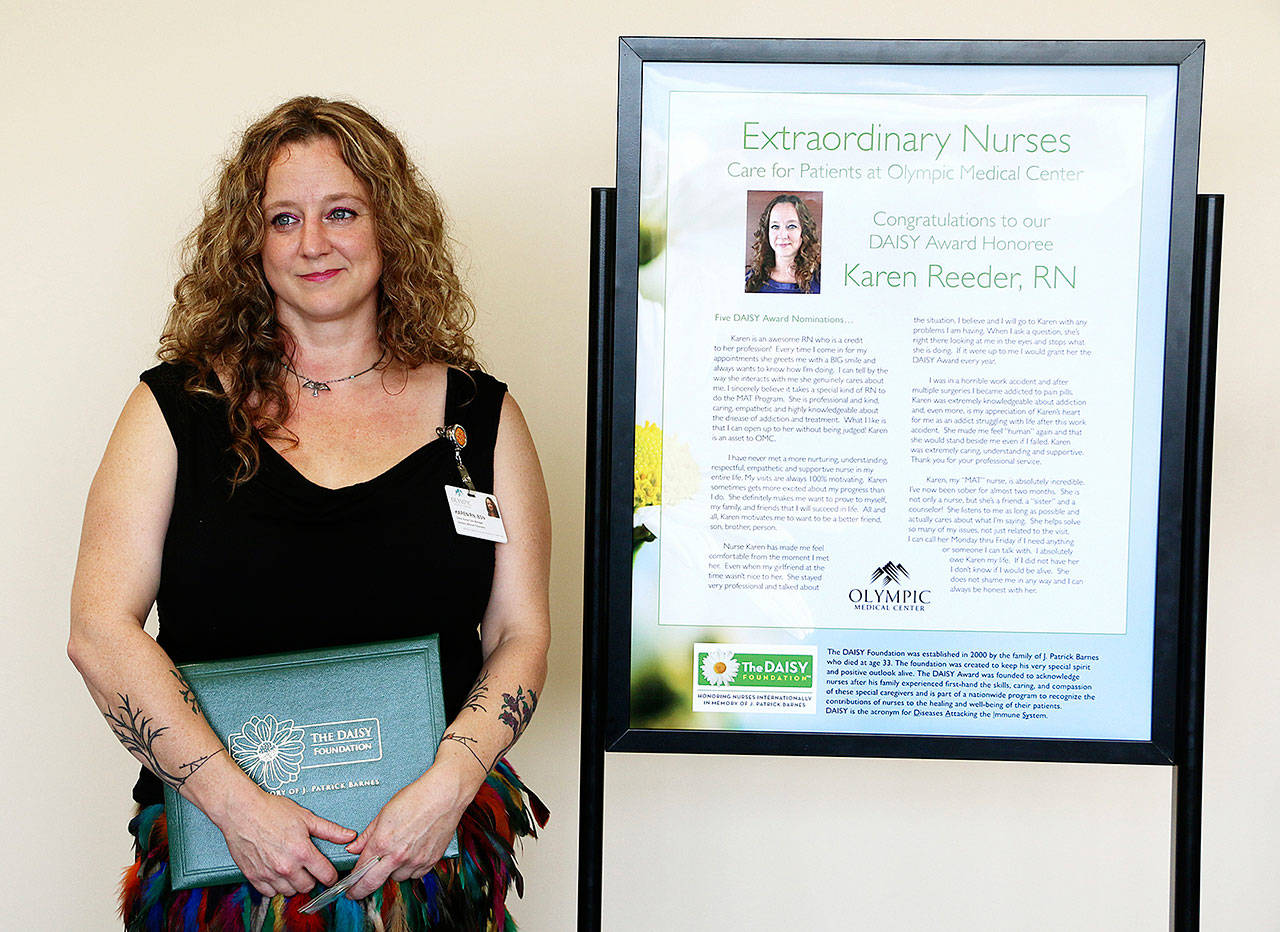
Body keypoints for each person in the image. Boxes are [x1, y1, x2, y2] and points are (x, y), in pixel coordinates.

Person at [68, 96, 551, 931]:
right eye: (283, 218)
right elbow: (100, 631)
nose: (313, 243)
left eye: (342, 212)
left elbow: (521, 633)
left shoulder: (482, 416)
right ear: (249, 244)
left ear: (389, 227)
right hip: (225, 867)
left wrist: (450, 787)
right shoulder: (174, 409)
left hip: (425, 866)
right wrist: (236, 808)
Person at [744, 193, 822, 294]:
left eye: (791, 226)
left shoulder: (821, 279)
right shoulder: (751, 281)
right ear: (767, 232)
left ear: (804, 231)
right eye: (775, 226)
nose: (783, 235)